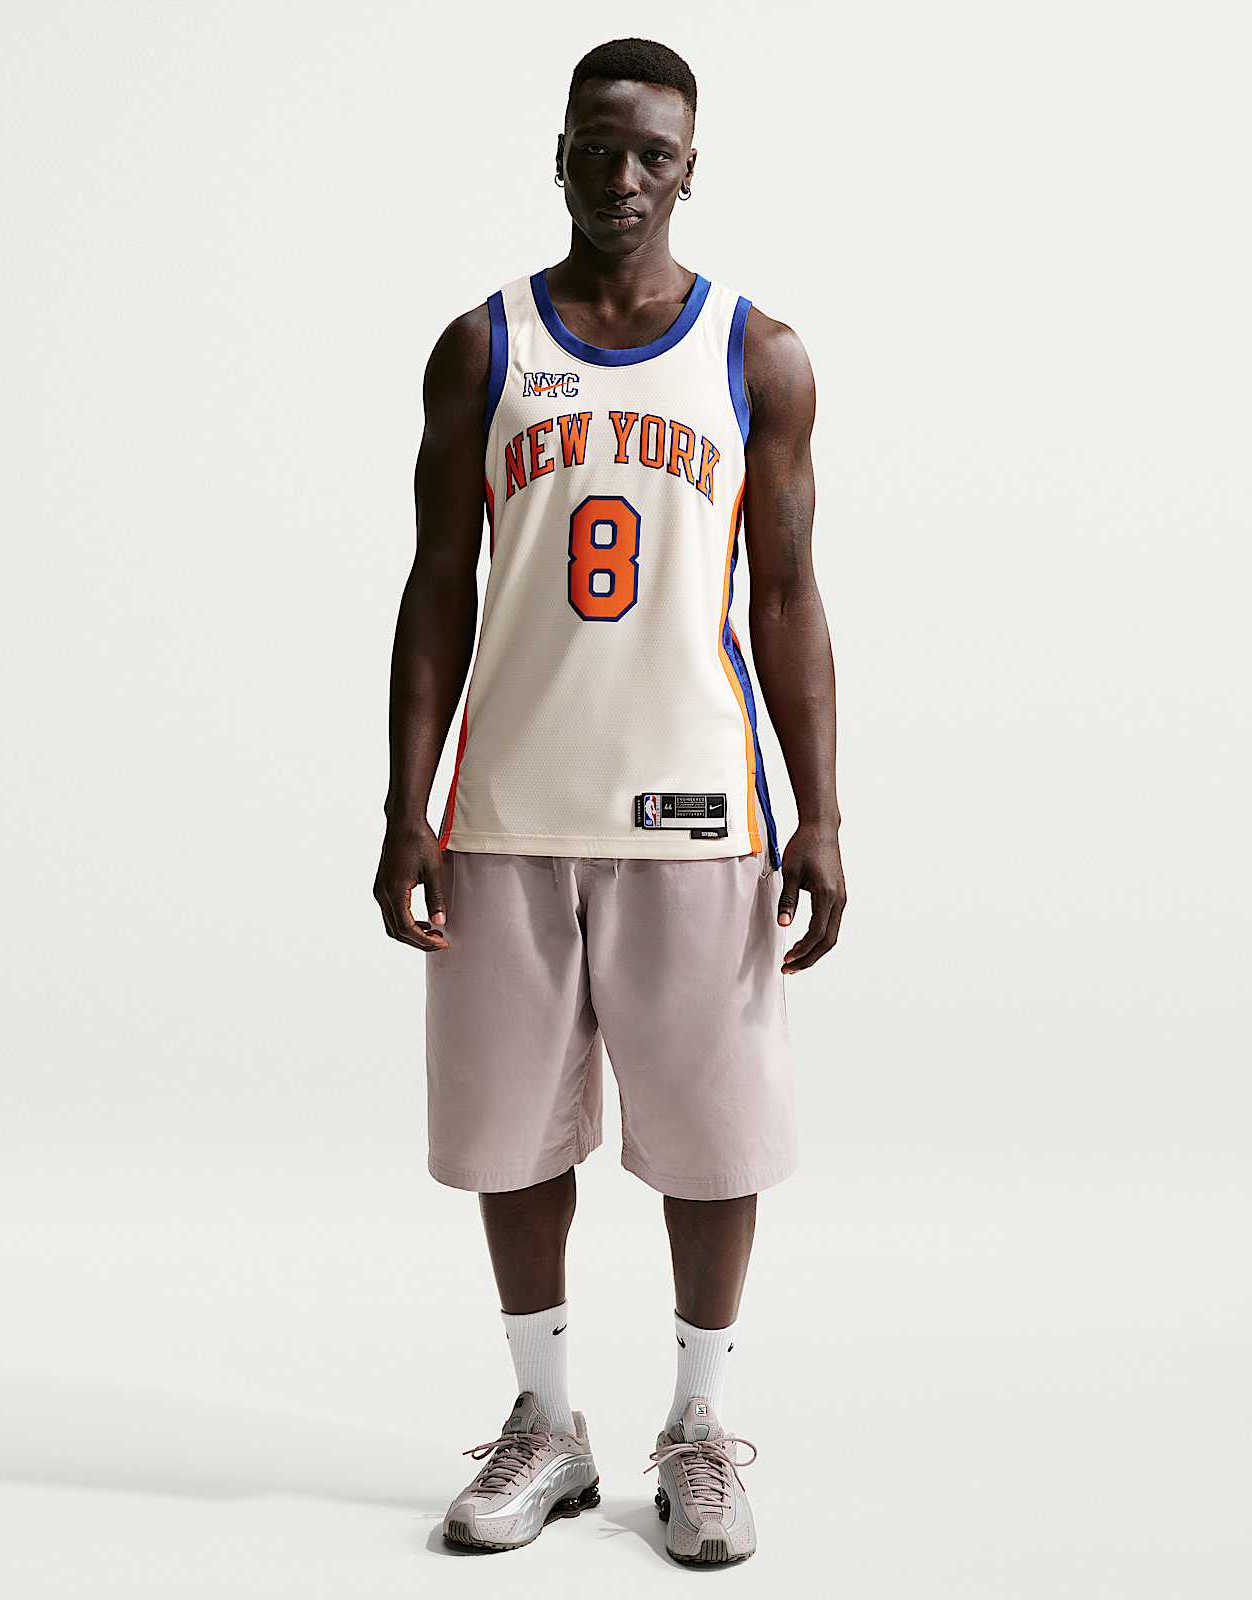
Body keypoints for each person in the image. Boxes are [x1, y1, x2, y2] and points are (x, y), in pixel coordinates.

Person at [373, 37, 845, 1565]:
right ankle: (546, 1422)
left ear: (692, 168)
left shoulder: (759, 354)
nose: (623, 175)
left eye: (653, 152)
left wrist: (823, 814)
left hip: (699, 812)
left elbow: (788, 594)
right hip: (508, 807)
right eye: (597, 145)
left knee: (713, 1140)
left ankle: (698, 1430)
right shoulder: (484, 346)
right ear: (559, 151)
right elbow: (437, 585)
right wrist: (406, 804)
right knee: (513, 1135)